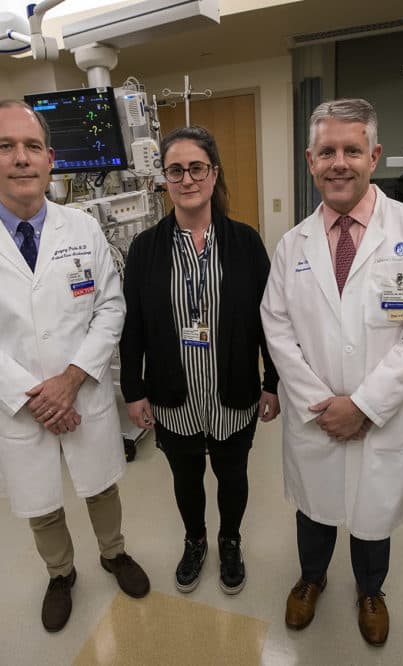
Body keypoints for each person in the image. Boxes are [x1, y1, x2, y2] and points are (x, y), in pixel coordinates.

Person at [0, 99, 149, 634]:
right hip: (19, 405)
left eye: (32, 147)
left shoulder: (82, 228)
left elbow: (111, 307)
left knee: (100, 485)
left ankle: (114, 553)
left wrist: (71, 381)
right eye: (7, 147)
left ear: (51, 159)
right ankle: (60, 573)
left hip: (83, 393)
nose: (21, 158)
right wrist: (40, 396)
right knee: (41, 501)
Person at [260, 99, 403, 646]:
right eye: (327, 151)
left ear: (374, 156)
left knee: (373, 507)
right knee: (314, 504)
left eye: (351, 150)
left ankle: (371, 589)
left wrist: (365, 405)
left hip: (382, 413)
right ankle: (311, 578)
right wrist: (320, 402)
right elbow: (276, 328)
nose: (338, 162)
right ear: (310, 160)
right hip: (315, 412)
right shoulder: (291, 244)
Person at [119, 126, 279, 596]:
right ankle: (196, 541)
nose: (187, 179)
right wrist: (134, 390)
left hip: (232, 392)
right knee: (186, 479)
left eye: (197, 168)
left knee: (233, 476)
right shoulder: (145, 249)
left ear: (213, 174)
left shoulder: (246, 243)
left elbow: (271, 319)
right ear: (163, 179)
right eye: (175, 170)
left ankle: (230, 541)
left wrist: (272, 381)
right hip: (174, 396)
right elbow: (134, 328)